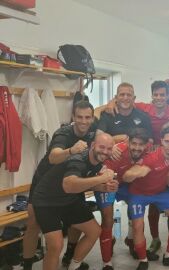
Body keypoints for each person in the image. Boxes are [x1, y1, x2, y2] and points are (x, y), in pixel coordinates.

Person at [22, 101, 96, 270]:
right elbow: (53, 157)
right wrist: (71, 150)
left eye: (87, 117)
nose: (83, 121)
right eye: (79, 117)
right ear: (73, 117)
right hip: (45, 182)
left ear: (92, 118)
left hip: (70, 179)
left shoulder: (92, 127)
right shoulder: (63, 134)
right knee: (33, 223)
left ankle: (70, 257)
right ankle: (27, 266)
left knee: (78, 217)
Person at [31, 133, 117, 270]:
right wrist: (101, 179)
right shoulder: (78, 158)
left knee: (94, 231)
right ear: (93, 145)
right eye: (102, 147)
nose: (105, 151)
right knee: (56, 246)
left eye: (109, 148)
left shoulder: (98, 161)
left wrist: (104, 187)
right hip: (46, 200)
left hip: (68, 199)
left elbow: (83, 182)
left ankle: (74, 266)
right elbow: (69, 185)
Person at [121, 127, 169, 270]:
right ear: (161, 141)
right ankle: (143, 260)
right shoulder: (152, 157)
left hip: (161, 193)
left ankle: (168, 256)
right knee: (138, 225)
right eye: (167, 141)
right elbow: (129, 175)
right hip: (139, 193)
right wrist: (135, 173)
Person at [94, 128, 152, 270]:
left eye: (140, 145)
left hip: (127, 184)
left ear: (146, 145)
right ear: (128, 142)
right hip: (107, 184)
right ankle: (106, 262)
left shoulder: (149, 148)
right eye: (133, 144)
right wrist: (106, 180)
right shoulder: (117, 152)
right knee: (108, 219)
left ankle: (132, 242)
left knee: (136, 213)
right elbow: (100, 176)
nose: (137, 148)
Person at [98, 80, 169, 145]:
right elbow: (125, 103)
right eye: (156, 95)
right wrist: (112, 102)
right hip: (151, 148)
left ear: (167, 96)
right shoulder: (143, 107)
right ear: (152, 96)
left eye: (162, 95)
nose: (159, 98)